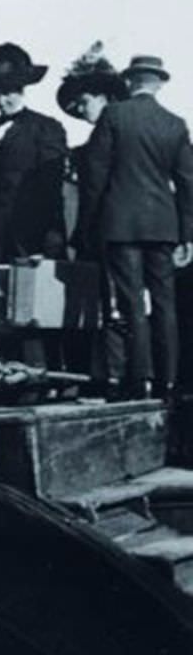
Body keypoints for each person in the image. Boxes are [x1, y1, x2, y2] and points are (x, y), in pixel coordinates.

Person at [73, 54, 193, 401]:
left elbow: (95, 177)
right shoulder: (175, 123)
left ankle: (138, 381)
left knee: (132, 305)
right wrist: (187, 234)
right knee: (165, 304)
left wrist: (88, 226)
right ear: (158, 83)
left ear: (130, 82)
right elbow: (187, 183)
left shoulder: (114, 115)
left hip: (120, 225)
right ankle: (167, 382)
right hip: (163, 227)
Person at [57, 42, 129, 392]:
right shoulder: (89, 148)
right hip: (106, 237)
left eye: (85, 101)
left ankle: (116, 377)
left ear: (104, 97)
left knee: (117, 308)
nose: (80, 109)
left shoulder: (116, 142)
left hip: (116, 236)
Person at [0, 43, 68, 263]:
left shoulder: (46, 128)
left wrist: (49, 235)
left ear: (22, 90)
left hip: (31, 233)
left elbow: (51, 185)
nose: (3, 100)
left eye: (9, 92)